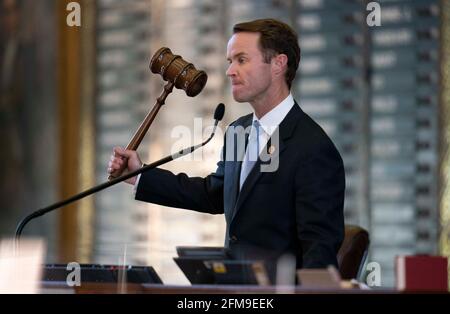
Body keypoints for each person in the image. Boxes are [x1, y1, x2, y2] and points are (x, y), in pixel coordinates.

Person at [108, 18, 345, 273]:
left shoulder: (313, 148)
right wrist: (139, 174)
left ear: (278, 64)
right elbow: (215, 194)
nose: (230, 71)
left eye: (241, 60)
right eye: (229, 61)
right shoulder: (238, 131)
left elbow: (319, 252)